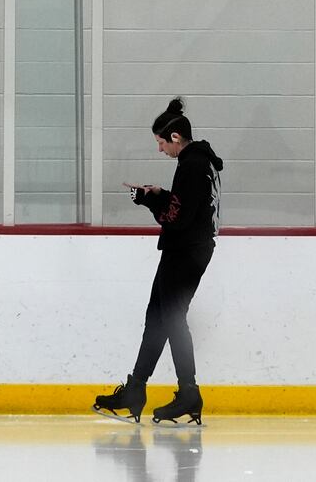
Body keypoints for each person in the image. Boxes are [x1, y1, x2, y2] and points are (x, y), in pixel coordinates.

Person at [93, 98, 224, 425]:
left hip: (185, 251)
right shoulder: (199, 161)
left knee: (172, 319)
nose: (160, 149)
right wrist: (158, 194)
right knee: (158, 317)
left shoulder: (192, 165)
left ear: (176, 138)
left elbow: (175, 219)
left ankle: (188, 393)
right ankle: (136, 390)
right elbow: (185, 207)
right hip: (190, 249)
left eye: (161, 142)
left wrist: (150, 201)